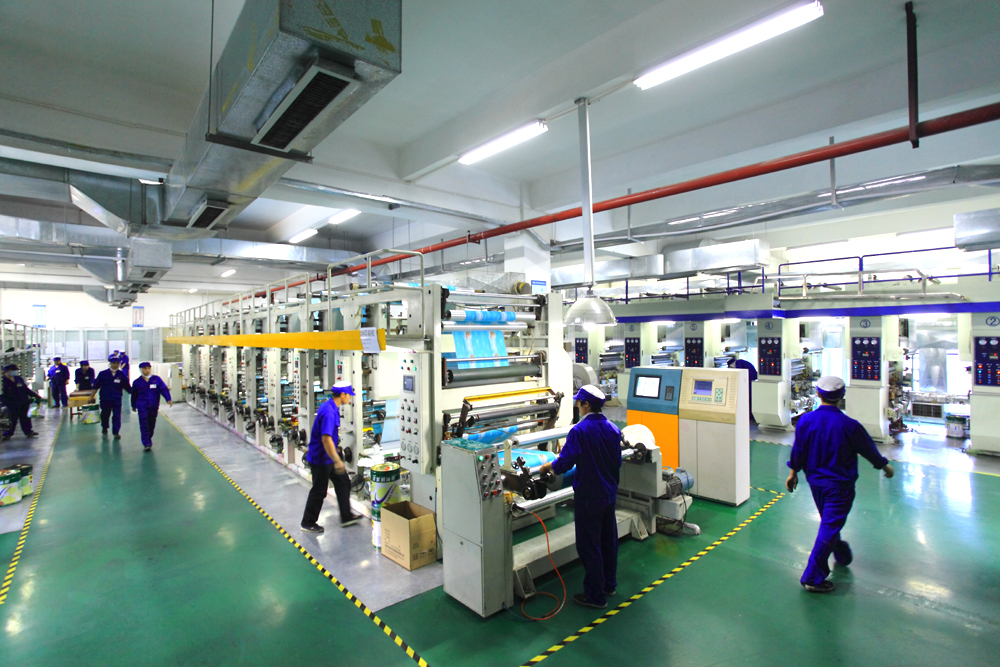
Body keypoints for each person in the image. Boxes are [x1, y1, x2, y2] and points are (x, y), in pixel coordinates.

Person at [785, 375, 895, 593]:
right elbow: (868, 449)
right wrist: (884, 466)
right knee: (829, 525)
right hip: (840, 487)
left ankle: (841, 552)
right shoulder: (849, 425)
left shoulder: (806, 421)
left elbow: (798, 450)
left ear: (818, 394)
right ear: (842, 396)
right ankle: (813, 578)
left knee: (829, 522)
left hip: (816, 484)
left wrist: (793, 472)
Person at [539, 384, 622, 609]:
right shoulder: (613, 429)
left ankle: (595, 596)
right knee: (608, 541)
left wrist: (548, 467)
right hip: (609, 494)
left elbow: (565, 462)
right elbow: (616, 462)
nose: (577, 405)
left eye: (579, 402)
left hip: (589, 497)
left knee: (589, 546)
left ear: (586, 405)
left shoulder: (579, 431)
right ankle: (609, 585)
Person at [300, 381, 363, 533]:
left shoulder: (330, 406)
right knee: (319, 490)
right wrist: (337, 460)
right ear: (343, 395)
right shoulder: (329, 412)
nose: (350, 398)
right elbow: (326, 439)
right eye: (349, 395)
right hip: (321, 459)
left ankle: (346, 516)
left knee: (343, 482)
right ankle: (308, 522)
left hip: (328, 457)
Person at [130, 362, 172, 452]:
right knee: (144, 423)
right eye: (145, 369)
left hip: (153, 406)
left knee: (151, 424)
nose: (147, 370)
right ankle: (147, 443)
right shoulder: (137, 382)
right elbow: (134, 395)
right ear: (141, 370)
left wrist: (168, 398)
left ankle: (148, 437)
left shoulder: (156, 379)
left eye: (148, 368)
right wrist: (133, 405)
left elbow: (163, 389)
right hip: (142, 406)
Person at [91, 354, 131, 439]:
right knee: (105, 415)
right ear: (110, 364)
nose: (116, 365)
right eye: (114, 363)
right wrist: (91, 397)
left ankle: (116, 432)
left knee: (117, 415)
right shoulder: (103, 374)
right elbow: (96, 386)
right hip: (105, 399)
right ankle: (104, 427)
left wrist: (137, 394)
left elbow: (128, 388)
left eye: (118, 363)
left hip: (117, 399)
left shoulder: (121, 375)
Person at [2, 364, 40, 440]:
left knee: (25, 418)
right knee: (12, 419)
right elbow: (2, 394)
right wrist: (4, 404)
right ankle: (7, 434)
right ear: (6, 371)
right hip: (12, 404)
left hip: (24, 402)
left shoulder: (18, 379)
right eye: (13, 370)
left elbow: (25, 389)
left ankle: (28, 431)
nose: (15, 372)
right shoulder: (3, 381)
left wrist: (35, 395)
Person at [728, 356, 758, 423]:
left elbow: (739, 375)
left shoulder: (738, 363)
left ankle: (751, 417)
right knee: (750, 400)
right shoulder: (741, 362)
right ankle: (752, 417)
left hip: (750, 382)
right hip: (752, 381)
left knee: (748, 400)